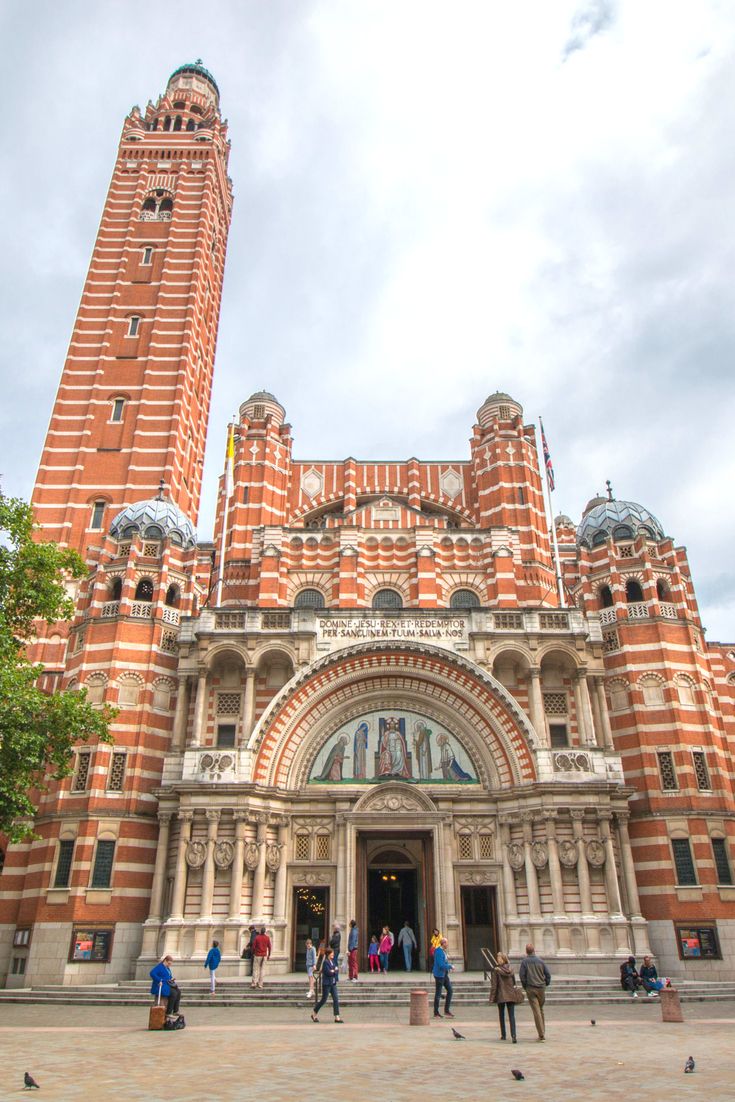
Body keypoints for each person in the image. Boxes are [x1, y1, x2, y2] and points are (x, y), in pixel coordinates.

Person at [519, 943, 551, 1041]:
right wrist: (546, 983)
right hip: (541, 987)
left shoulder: (524, 962)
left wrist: (525, 986)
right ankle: (542, 1032)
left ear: (526, 951)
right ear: (534, 950)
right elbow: (548, 974)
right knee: (540, 1009)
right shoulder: (540, 961)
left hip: (531, 988)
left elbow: (522, 976)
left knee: (536, 1011)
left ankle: (541, 1034)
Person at [489, 952, 519, 1043]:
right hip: (510, 994)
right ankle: (514, 1035)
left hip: (501, 994)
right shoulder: (511, 969)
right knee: (512, 1016)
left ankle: (503, 1034)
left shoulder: (496, 970)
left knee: (501, 1015)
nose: (497, 959)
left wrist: (492, 997)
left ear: (502, 959)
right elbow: (514, 982)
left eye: (499, 958)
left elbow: (494, 985)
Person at [310, 947, 343, 1023]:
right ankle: (314, 1013)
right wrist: (334, 971)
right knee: (323, 1000)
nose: (333, 955)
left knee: (336, 999)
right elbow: (328, 972)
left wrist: (334, 971)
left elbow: (336, 971)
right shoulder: (325, 962)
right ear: (328, 954)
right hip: (327, 984)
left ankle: (337, 1016)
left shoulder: (332, 962)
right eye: (332, 953)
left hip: (333, 983)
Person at [150, 955, 182, 1021]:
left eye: (170, 964)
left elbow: (168, 976)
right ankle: (169, 1012)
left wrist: (171, 979)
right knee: (173, 993)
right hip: (161, 985)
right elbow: (152, 973)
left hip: (167, 984)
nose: (169, 965)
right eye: (169, 963)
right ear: (165, 961)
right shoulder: (159, 967)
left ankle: (176, 1010)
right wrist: (159, 980)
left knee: (178, 992)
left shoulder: (167, 968)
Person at [432, 937, 454, 1018]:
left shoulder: (443, 951)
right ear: (443, 943)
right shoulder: (438, 951)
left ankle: (446, 1011)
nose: (447, 944)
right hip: (439, 975)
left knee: (450, 990)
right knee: (438, 994)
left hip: (444, 974)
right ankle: (436, 1012)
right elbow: (441, 965)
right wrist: (450, 966)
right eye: (446, 943)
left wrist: (448, 967)